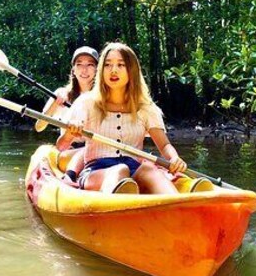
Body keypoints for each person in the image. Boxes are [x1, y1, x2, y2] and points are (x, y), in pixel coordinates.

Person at [57, 42, 187, 194]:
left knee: (150, 169)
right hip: (96, 171)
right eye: (107, 65)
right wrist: (70, 133)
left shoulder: (146, 108)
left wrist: (174, 158)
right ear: (101, 70)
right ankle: (115, 201)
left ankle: (175, 204)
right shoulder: (86, 102)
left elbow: (164, 145)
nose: (113, 70)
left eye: (121, 65)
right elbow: (61, 146)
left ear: (131, 70)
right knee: (120, 170)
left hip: (135, 169)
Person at [35, 46, 99, 181]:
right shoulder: (62, 94)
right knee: (88, 152)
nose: (84, 70)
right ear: (73, 70)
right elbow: (39, 127)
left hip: (98, 150)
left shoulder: (103, 98)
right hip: (69, 152)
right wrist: (54, 103)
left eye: (90, 65)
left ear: (97, 70)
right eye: (79, 64)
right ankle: (71, 176)